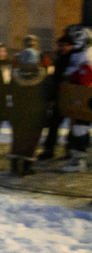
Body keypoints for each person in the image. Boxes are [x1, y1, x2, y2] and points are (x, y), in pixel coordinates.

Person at [9, 48, 47, 176]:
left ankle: (14, 165)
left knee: (18, 139)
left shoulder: (15, 77)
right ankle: (26, 167)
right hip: (35, 115)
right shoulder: (42, 79)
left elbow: (11, 93)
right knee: (31, 140)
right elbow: (46, 96)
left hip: (18, 114)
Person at [39, 34, 76, 160]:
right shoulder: (60, 59)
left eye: (63, 46)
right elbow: (55, 79)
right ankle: (50, 150)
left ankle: (69, 151)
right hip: (60, 96)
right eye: (59, 45)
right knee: (54, 123)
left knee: (72, 125)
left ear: (70, 46)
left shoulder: (74, 59)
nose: (60, 48)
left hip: (71, 95)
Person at [62, 27, 92, 170]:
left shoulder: (87, 55)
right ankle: (79, 159)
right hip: (80, 96)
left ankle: (79, 161)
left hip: (84, 97)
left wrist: (71, 75)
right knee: (79, 127)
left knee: (80, 127)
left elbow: (85, 79)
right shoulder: (82, 54)